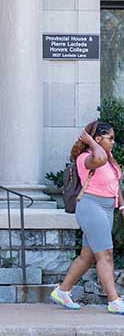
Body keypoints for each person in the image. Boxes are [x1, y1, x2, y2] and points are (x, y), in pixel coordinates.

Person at [51, 120, 124, 314]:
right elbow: (98, 159)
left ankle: (62, 291)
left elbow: (115, 183)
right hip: (92, 206)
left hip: (107, 208)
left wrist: (122, 205)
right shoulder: (85, 158)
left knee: (88, 255)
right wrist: (92, 143)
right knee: (105, 254)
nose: (113, 142)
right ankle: (114, 301)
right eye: (110, 138)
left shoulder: (108, 158)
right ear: (98, 138)